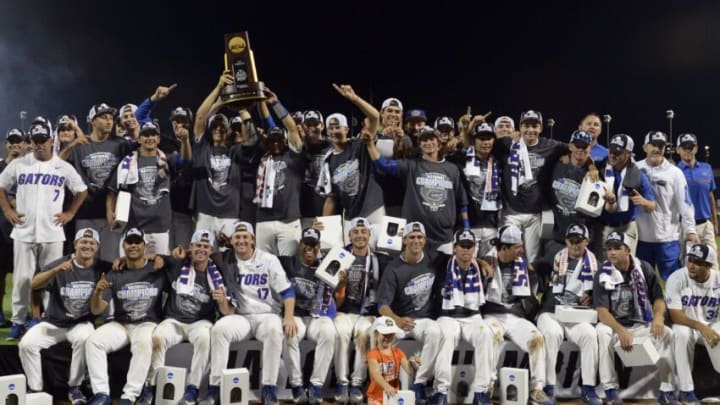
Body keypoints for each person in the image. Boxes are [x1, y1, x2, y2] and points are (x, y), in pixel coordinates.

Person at [0, 121, 88, 340]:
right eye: (35, 141)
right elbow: (1, 186)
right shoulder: (20, 164)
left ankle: (49, 319)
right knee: (22, 279)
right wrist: (7, 211)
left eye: (43, 141)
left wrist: (70, 213)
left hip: (52, 232)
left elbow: (82, 190)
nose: (39, 145)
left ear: (52, 141)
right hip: (23, 231)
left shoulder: (63, 167)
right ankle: (19, 322)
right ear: (31, 142)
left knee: (51, 279)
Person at [198, 221, 297, 405]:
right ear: (232, 241)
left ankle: (269, 387)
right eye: (237, 237)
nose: (241, 240)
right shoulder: (225, 259)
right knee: (219, 329)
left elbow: (287, 292)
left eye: (245, 237)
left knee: (275, 330)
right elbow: (200, 254)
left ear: (253, 239)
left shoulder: (268, 260)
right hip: (240, 316)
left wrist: (289, 316)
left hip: (267, 314)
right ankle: (215, 387)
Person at [18, 228, 108, 405]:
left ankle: (74, 387)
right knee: (26, 344)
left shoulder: (102, 268)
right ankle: (36, 389)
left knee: (84, 339)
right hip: (54, 322)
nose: (87, 246)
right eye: (83, 242)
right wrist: (55, 271)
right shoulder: (61, 264)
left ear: (97, 247)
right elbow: (34, 284)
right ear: (75, 245)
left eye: (91, 243)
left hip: (80, 323)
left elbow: (124, 264)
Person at [136, 229, 225, 405]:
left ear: (211, 250)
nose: (202, 249)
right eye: (198, 245)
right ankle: (151, 387)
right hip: (173, 320)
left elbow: (227, 307)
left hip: (200, 322)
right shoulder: (177, 263)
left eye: (206, 246)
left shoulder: (217, 275)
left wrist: (222, 301)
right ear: (190, 247)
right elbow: (147, 256)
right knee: (158, 338)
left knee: (206, 339)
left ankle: (193, 389)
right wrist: (123, 259)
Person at [85, 228, 168, 405]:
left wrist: (158, 257)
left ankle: (129, 396)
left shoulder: (157, 269)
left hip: (147, 322)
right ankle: (102, 394)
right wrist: (98, 292)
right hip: (121, 323)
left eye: (137, 242)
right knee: (93, 342)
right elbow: (96, 310)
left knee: (144, 343)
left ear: (145, 246)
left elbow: (180, 260)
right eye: (129, 242)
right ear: (123, 246)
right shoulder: (114, 273)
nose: (133, 245)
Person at [593, 232, 677, 405]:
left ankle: (666, 390)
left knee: (668, 333)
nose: (612, 253)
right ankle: (610, 389)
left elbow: (659, 299)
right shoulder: (602, 273)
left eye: (617, 248)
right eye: (609, 249)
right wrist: (621, 331)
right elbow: (602, 311)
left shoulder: (644, 268)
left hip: (641, 324)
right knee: (601, 332)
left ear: (627, 250)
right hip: (615, 326)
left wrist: (659, 317)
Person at [366, 126, 469, 254]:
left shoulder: (452, 169)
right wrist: (370, 144)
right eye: (424, 140)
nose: (429, 143)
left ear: (438, 143)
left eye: (432, 139)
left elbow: (462, 203)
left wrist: (466, 228)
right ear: (420, 145)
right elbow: (383, 164)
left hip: (444, 236)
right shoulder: (411, 165)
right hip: (416, 236)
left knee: (443, 272)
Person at [481, 224, 553, 405]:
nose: (521, 250)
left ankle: (537, 389)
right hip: (491, 315)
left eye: (521, 246)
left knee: (537, 338)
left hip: (514, 316)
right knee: (493, 336)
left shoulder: (523, 265)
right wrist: (480, 263)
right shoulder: (486, 262)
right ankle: (486, 388)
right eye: (517, 247)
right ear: (503, 248)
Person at [376, 222, 444, 405]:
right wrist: (396, 320)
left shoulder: (433, 260)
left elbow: (464, 254)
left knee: (435, 331)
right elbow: (382, 305)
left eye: (419, 237)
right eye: (412, 237)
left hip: (423, 319)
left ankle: (420, 383)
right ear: (404, 240)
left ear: (424, 240)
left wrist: (482, 262)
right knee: (383, 336)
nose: (416, 240)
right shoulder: (393, 268)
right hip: (399, 319)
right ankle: (382, 385)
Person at [535, 224, 602, 405]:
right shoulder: (553, 257)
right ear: (565, 241)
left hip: (577, 315)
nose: (574, 246)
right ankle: (548, 387)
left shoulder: (596, 265)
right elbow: (532, 268)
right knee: (551, 333)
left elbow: (603, 293)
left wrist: (593, 299)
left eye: (578, 242)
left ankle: (588, 388)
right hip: (551, 312)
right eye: (571, 241)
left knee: (589, 334)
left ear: (586, 242)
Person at [496, 110, 568, 262]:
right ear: (520, 128)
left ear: (540, 128)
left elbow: (576, 149)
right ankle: (508, 286)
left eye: (534, 126)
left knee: (533, 258)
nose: (530, 130)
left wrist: (591, 165)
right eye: (526, 126)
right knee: (508, 255)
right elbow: (480, 144)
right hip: (511, 213)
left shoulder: (549, 145)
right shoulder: (507, 143)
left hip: (535, 214)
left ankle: (531, 287)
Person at [333, 217, 390, 404]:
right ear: (349, 235)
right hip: (344, 311)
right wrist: (341, 284)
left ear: (369, 235)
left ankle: (357, 383)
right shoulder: (340, 257)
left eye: (363, 232)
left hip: (368, 313)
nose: (359, 236)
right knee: (340, 332)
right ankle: (342, 382)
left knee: (365, 335)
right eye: (355, 232)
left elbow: (404, 257)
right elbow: (334, 296)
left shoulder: (379, 259)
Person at [435, 230, 495, 405]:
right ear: (454, 248)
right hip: (448, 316)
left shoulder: (478, 269)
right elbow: (431, 249)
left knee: (486, 334)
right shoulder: (443, 262)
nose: (466, 251)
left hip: (472, 316)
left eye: (470, 247)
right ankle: (441, 391)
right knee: (445, 336)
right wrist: (482, 261)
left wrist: (480, 261)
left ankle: (480, 392)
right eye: (462, 246)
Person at [65, 103, 131, 262]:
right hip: (86, 212)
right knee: (85, 261)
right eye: (104, 117)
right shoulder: (80, 145)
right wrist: (71, 144)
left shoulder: (121, 144)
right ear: (92, 121)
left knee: (110, 260)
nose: (109, 121)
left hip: (113, 214)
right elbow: (57, 164)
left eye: (111, 118)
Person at [280, 228, 338, 405]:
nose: (309, 248)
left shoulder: (327, 267)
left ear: (319, 247)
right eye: (306, 244)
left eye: (314, 245)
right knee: (289, 333)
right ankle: (297, 386)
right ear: (300, 245)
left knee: (329, 332)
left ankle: (316, 387)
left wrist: (340, 281)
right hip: (295, 315)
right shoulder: (287, 262)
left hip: (317, 316)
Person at [317, 84, 384, 227]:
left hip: (373, 210)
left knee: (379, 250)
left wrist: (355, 99)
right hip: (350, 216)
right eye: (331, 128)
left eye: (338, 127)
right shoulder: (328, 161)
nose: (334, 131)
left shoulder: (359, 144)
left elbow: (375, 117)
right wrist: (323, 225)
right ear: (327, 132)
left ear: (346, 129)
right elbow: (331, 198)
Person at [107, 121, 179, 255]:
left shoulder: (169, 161)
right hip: (134, 226)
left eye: (153, 135)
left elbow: (187, 161)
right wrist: (110, 213)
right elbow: (112, 191)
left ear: (158, 139)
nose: (149, 138)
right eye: (145, 135)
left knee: (160, 269)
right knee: (130, 269)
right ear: (139, 139)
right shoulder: (126, 163)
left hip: (160, 226)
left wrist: (185, 140)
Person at [636, 131, 698, 280]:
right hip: (641, 239)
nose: (657, 149)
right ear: (645, 147)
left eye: (661, 146)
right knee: (642, 286)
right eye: (653, 145)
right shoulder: (634, 169)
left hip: (668, 239)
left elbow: (686, 203)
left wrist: (690, 230)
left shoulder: (675, 173)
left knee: (674, 284)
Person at [191, 72, 245, 237]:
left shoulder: (235, 151)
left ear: (229, 130)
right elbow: (200, 117)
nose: (218, 128)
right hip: (205, 213)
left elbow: (251, 136)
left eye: (222, 126)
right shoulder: (202, 148)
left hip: (229, 214)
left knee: (229, 258)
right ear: (209, 129)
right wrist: (219, 90)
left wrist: (240, 107)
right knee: (201, 255)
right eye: (214, 125)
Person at [253, 87, 305, 256]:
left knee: (289, 265)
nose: (275, 144)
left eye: (279, 140)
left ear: (285, 141)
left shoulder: (293, 155)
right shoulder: (262, 158)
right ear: (266, 142)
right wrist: (257, 101)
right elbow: (263, 119)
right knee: (263, 265)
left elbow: (291, 129)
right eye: (272, 141)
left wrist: (276, 103)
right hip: (264, 220)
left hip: (288, 220)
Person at [666, 243, 720, 405]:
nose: (691, 265)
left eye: (697, 262)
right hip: (689, 326)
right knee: (680, 332)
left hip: (712, 326)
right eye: (690, 260)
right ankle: (686, 391)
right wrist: (701, 326)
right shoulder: (677, 278)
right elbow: (675, 316)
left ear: (709, 265)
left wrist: (712, 328)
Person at [595, 134, 655, 256]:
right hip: (604, 227)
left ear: (628, 154)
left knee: (627, 267)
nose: (612, 155)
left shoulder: (638, 174)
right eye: (611, 150)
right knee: (603, 269)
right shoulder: (599, 168)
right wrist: (591, 169)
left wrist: (644, 202)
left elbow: (652, 206)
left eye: (617, 152)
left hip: (627, 227)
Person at [450, 122, 502, 257]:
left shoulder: (499, 160)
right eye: (481, 139)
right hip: (468, 224)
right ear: (474, 141)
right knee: (469, 268)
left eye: (489, 138)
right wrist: (460, 135)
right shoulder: (461, 158)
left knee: (490, 269)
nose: (486, 142)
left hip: (491, 225)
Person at [545, 130, 597, 260]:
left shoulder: (595, 174)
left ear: (589, 148)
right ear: (570, 146)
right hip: (556, 235)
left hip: (580, 239)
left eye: (584, 146)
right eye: (577, 145)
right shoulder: (556, 164)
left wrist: (592, 167)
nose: (580, 149)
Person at [0, 128, 27, 326]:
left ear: (26, 144)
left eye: (19, 141)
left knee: (25, 274)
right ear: (6, 144)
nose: (15, 145)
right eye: (12, 141)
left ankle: (25, 314)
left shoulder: (30, 167)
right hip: (1, 228)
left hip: (24, 228)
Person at [676, 133, 718, 254]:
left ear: (696, 148)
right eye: (684, 147)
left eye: (691, 147)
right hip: (683, 226)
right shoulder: (674, 171)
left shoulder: (706, 168)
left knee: (712, 263)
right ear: (678, 150)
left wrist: (714, 223)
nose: (688, 150)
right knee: (688, 264)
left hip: (705, 224)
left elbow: (710, 196)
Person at [366, 316, 413, 405]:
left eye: (391, 334)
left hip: (393, 396)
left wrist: (415, 364)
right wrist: (387, 386)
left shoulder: (399, 352)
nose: (388, 337)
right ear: (376, 335)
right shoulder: (373, 354)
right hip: (376, 398)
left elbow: (410, 371)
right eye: (385, 334)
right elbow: (375, 374)